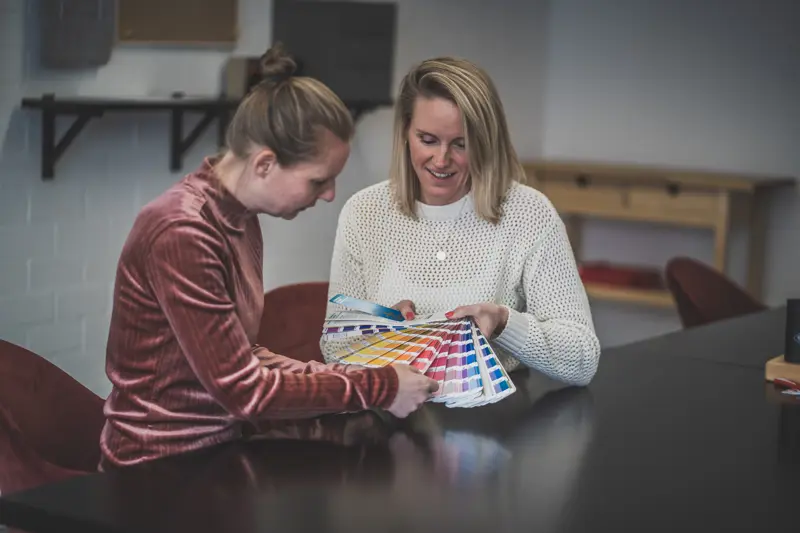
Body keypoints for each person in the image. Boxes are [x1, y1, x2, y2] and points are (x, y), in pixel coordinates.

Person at [99, 44, 438, 470]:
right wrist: (378, 387)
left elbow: (241, 356)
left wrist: (357, 379)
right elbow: (244, 390)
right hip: (155, 469)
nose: (330, 195)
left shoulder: (237, 218)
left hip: (217, 449)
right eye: (319, 181)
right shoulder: (182, 231)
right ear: (264, 164)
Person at [320, 56, 601, 386]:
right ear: (405, 134)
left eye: (460, 144)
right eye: (427, 140)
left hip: (497, 424)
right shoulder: (364, 212)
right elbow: (334, 347)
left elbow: (581, 359)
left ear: (485, 143)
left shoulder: (529, 214)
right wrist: (383, 331)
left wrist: (503, 323)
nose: (441, 160)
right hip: (391, 420)